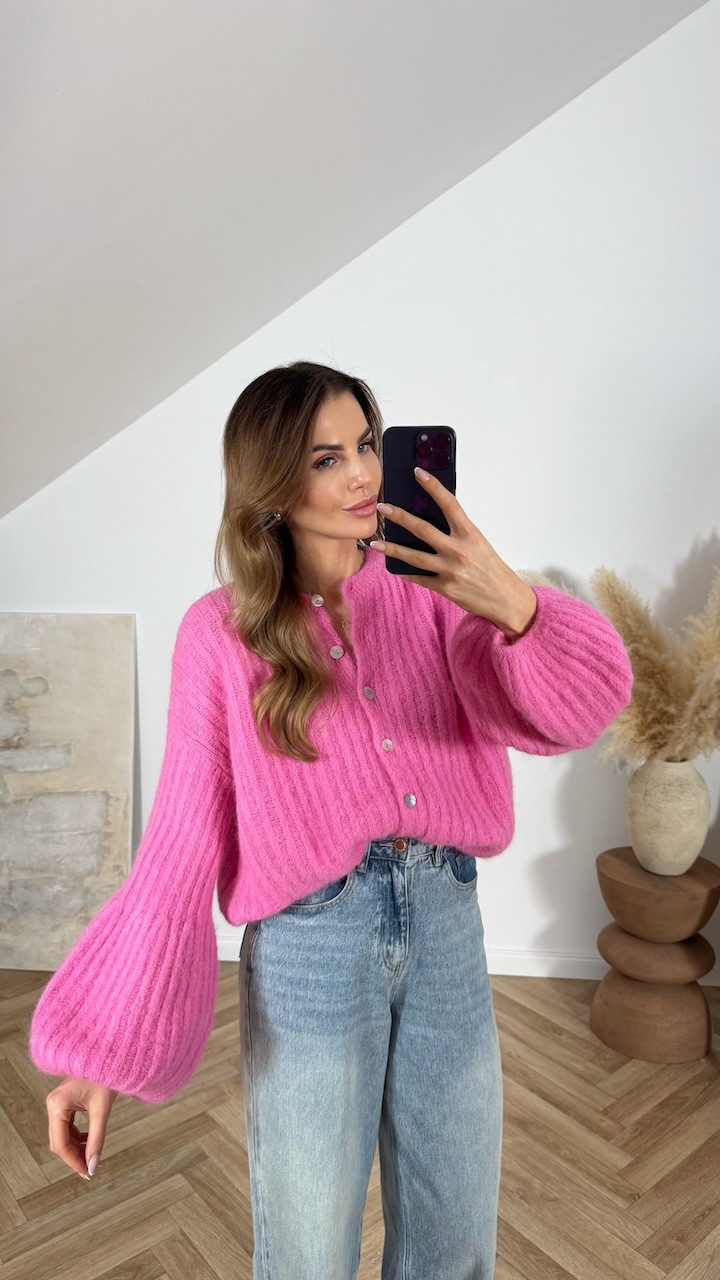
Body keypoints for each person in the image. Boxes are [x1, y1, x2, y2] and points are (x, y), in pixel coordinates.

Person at [28, 361, 634, 1279]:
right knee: (309, 1252)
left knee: (455, 1244)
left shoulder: (437, 590)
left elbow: (586, 708)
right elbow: (183, 842)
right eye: (326, 458)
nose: (361, 475)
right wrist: (102, 1053)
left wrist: (510, 601)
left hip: (446, 923)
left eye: (366, 446)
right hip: (312, 947)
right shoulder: (220, 634)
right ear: (273, 485)